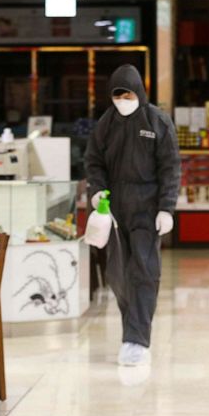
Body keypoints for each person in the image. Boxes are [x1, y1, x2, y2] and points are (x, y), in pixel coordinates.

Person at [86, 64, 181, 367]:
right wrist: (97, 190)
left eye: (127, 94)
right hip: (114, 211)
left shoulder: (157, 121)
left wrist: (166, 207)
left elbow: (170, 167)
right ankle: (131, 328)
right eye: (117, 95)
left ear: (139, 91)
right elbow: (94, 162)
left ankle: (136, 339)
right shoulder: (106, 123)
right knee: (117, 275)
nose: (122, 100)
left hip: (147, 208)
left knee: (143, 272)